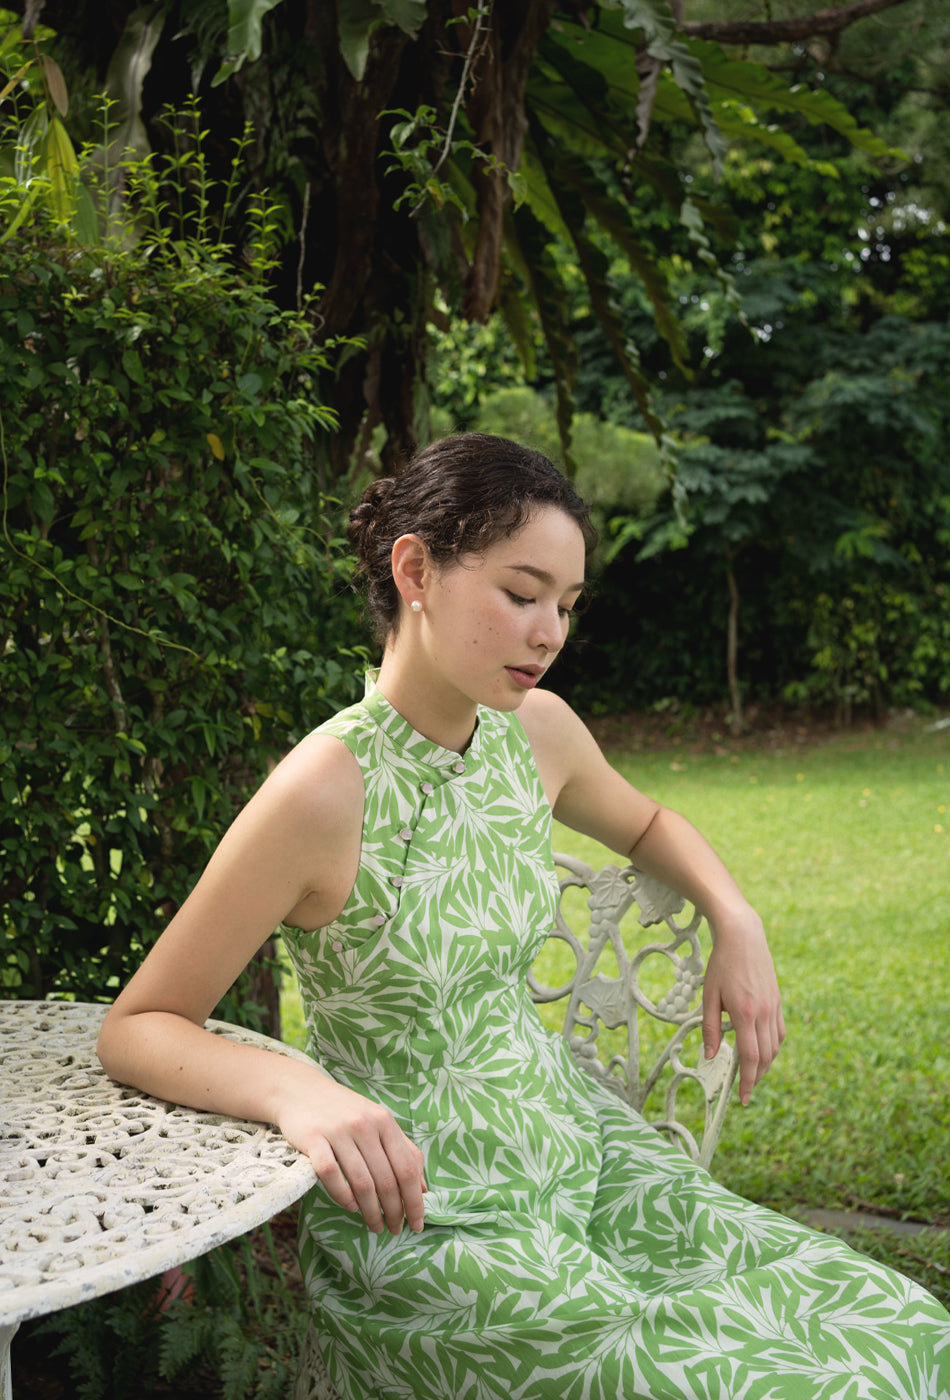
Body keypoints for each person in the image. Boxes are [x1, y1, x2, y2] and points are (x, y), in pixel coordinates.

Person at [99, 433, 950, 1400]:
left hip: (579, 1151)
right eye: (522, 593)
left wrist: (734, 914)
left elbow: (650, 821)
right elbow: (140, 1024)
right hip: (430, 1223)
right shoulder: (323, 793)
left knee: (900, 1327)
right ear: (415, 569)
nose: (550, 632)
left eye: (567, 605)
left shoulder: (534, 733)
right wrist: (302, 1092)